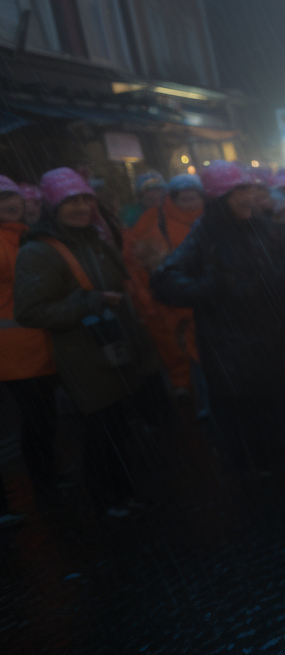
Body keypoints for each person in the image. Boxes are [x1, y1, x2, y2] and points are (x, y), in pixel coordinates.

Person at [151, 162, 285, 479]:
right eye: (236, 192)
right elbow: (163, 281)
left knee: (277, 410)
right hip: (232, 348)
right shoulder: (205, 234)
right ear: (218, 198)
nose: (246, 198)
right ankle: (256, 479)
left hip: (274, 340)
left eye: (247, 189)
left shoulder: (262, 225)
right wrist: (207, 291)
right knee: (246, 418)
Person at [13, 168, 162, 518]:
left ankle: (125, 495)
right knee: (101, 431)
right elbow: (31, 311)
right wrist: (88, 303)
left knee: (118, 427)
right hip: (82, 355)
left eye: (84, 200)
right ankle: (108, 501)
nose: (80, 207)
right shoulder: (39, 251)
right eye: (70, 201)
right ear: (52, 206)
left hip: (114, 345)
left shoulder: (92, 240)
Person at [0, 175, 60, 526]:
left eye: (12, 197)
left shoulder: (25, 235)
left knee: (43, 415)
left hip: (36, 340)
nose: (8, 204)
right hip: (13, 348)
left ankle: (48, 479)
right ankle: (43, 484)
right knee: (36, 417)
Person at [126, 174, 205, 396]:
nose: (190, 203)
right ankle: (186, 385)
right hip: (175, 299)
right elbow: (140, 260)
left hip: (205, 296)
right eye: (184, 198)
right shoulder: (151, 223)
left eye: (194, 197)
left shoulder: (214, 217)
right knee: (180, 345)